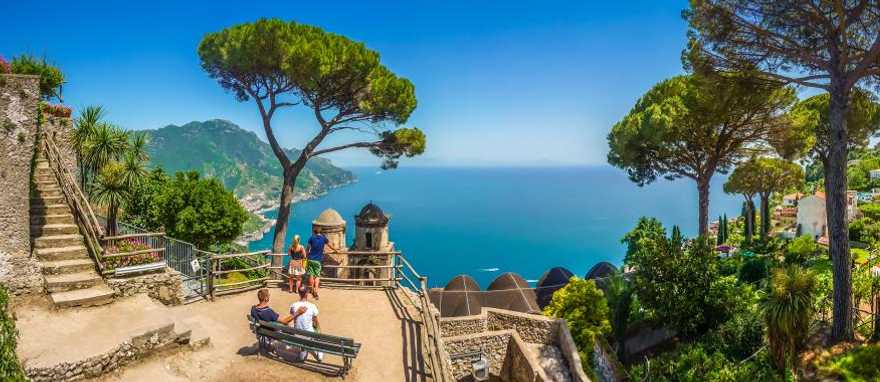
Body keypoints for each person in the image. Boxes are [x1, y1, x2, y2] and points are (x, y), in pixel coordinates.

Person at [290, 286, 322, 362]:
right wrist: (319, 331)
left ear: (299, 293)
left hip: (297, 334)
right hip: (308, 334)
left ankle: (303, 352)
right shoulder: (312, 306)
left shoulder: (293, 305)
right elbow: (316, 322)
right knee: (317, 330)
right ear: (307, 293)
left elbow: (292, 316)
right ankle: (319, 352)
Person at [305, 227, 337, 300]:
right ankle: (316, 291)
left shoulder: (311, 238)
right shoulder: (323, 238)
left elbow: (308, 248)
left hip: (310, 259)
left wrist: (306, 256)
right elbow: (330, 246)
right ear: (321, 232)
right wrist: (336, 250)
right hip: (318, 260)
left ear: (314, 232)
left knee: (311, 275)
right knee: (317, 276)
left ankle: (312, 289)